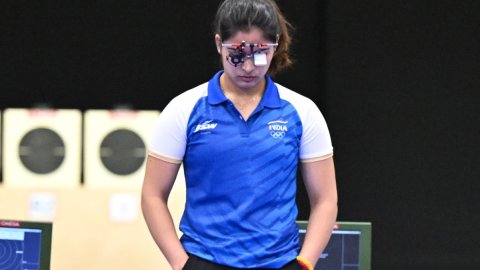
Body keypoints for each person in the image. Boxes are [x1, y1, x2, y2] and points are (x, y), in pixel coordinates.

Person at [141, 0, 338, 269]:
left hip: (280, 262)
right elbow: (152, 195)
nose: (248, 67)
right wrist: (182, 264)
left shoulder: (303, 112)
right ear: (219, 43)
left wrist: (305, 263)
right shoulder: (183, 109)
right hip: (204, 260)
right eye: (236, 54)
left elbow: (325, 199)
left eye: (260, 54)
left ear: (275, 45)